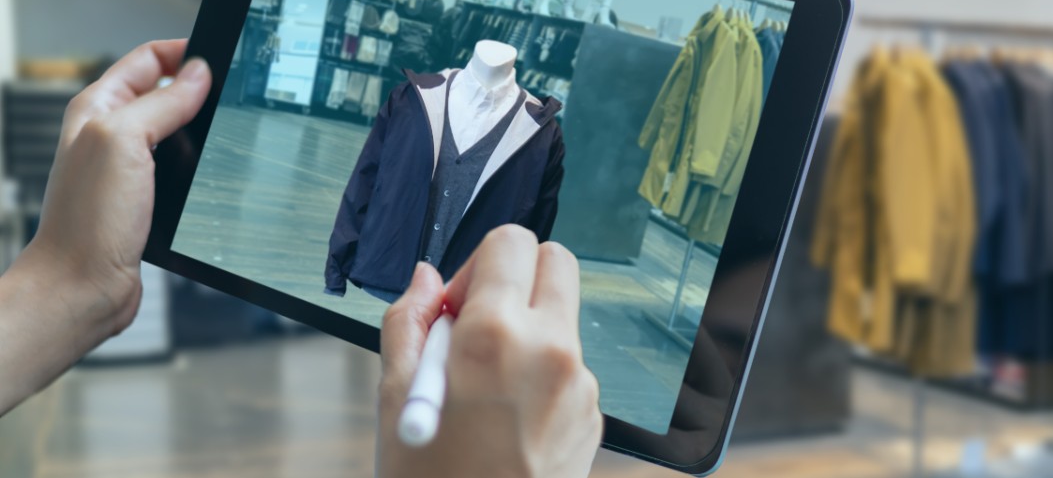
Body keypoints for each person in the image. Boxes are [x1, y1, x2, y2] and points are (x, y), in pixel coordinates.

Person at [0, 40, 603, 476]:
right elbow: (366, 179)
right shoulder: (415, 96)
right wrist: (341, 259)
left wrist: (70, 278)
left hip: (464, 297)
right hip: (392, 270)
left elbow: (534, 224)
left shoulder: (542, 129)